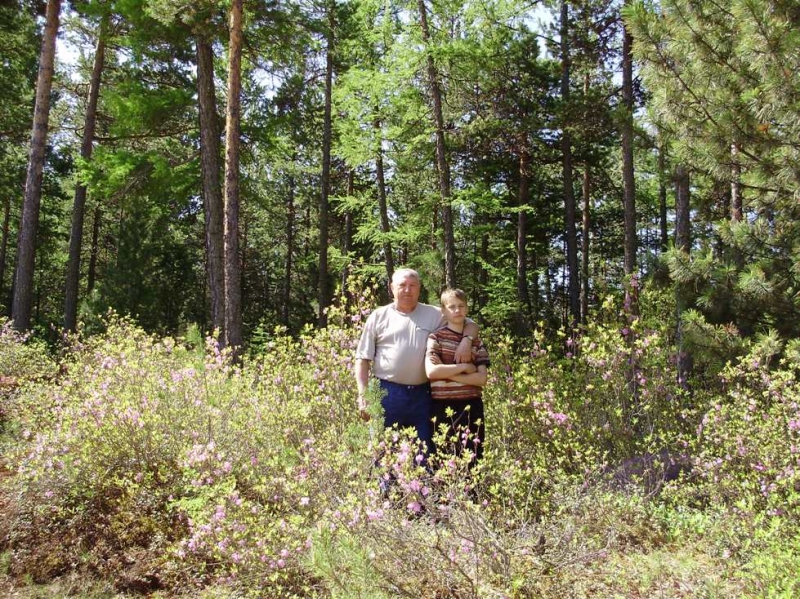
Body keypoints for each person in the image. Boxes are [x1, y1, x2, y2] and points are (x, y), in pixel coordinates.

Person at [354, 268, 478, 450]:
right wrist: (363, 394)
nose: (407, 290)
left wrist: (466, 341)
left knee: (425, 451)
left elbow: (471, 323)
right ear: (392, 288)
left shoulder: (435, 314)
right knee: (384, 451)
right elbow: (362, 359)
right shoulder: (379, 316)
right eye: (402, 285)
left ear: (419, 288)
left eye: (412, 285)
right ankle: (386, 480)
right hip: (385, 393)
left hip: (423, 395)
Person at [425, 288, 489, 464]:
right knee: (443, 455)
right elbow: (431, 372)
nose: (457, 310)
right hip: (441, 405)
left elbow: (481, 379)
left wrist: (448, 375)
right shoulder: (436, 337)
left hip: (471, 406)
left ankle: (473, 493)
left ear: (467, 309)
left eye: (461, 306)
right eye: (451, 307)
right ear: (443, 311)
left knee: (473, 456)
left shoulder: (476, 341)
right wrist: (465, 367)